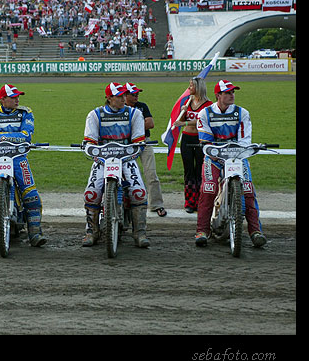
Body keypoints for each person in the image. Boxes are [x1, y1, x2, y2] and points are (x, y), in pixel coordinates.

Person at [194, 80, 267, 248]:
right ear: (218, 95)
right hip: (214, 158)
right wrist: (219, 154)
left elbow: (245, 141)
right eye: (227, 93)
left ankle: (256, 231)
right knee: (208, 189)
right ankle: (202, 231)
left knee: (248, 190)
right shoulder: (204, 114)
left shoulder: (242, 113)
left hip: (237, 158)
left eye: (233, 92)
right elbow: (206, 142)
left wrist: (236, 154)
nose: (232, 95)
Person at [82, 82, 150, 248]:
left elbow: (138, 140)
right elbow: (89, 140)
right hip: (103, 160)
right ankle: (92, 231)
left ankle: (139, 232)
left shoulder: (134, 114)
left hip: (127, 158)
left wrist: (133, 149)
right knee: (91, 193)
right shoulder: (95, 115)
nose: (123, 99)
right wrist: (94, 150)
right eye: (119, 96)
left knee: (139, 192)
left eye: (123, 96)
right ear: (109, 98)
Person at [0, 84, 47, 248]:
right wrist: (7, 138)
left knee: (31, 195)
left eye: (18, 97)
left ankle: (35, 234)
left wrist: (0, 136)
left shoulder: (26, 113)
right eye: (13, 97)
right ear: (2, 100)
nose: (17, 100)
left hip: (19, 159)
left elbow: (26, 136)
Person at [124, 82, 167, 217]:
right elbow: (145, 124)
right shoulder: (120, 108)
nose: (136, 95)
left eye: (137, 93)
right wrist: (139, 125)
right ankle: (127, 205)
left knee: (151, 174)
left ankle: (157, 204)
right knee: (126, 176)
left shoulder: (142, 106)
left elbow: (151, 124)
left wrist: (130, 126)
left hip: (144, 142)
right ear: (124, 95)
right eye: (133, 93)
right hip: (126, 144)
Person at [172, 77, 212, 213]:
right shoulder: (188, 102)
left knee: (200, 172)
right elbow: (181, 119)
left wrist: (184, 123)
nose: (189, 88)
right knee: (188, 171)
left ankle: (201, 201)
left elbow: (201, 119)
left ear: (198, 87)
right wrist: (182, 112)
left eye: (191, 86)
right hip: (187, 138)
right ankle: (189, 202)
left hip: (200, 139)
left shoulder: (208, 105)